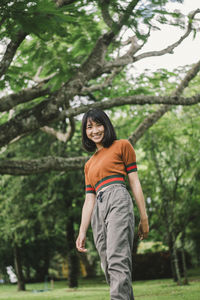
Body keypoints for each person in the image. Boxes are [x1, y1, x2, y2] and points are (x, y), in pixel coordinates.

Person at [76, 108, 149, 300]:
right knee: (108, 264)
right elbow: (89, 199)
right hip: (97, 209)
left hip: (117, 197)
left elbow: (134, 182)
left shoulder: (122, 146)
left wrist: (144, 217)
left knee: (118, 259)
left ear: (106, 125)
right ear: (85, 132)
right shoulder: (89, 164)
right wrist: (82, 231)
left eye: (99, 124)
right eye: (89, 127)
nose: (95, 130)